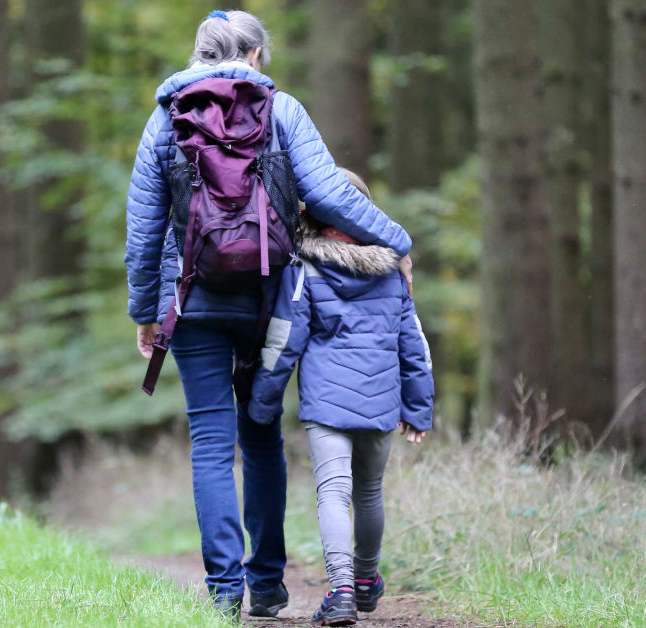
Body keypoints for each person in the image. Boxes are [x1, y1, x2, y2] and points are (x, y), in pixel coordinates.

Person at [124, 10, 413, 619]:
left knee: (209, 440)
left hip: (193, 298)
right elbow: (331, 193)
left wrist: (146, 311)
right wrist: (397, 242)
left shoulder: (164, 119)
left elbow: (144, 228)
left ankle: (224, 591)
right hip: (270, 299)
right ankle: (269, 584)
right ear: (256, 55)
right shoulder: (283, 110)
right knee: (260, 436)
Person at [248, 171, 433, 626]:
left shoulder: (305, 268)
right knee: (369, 492)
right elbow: (415, 346)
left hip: (327, 405)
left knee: (334, 492)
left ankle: (343, 591)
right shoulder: (392, 271)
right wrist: (419, 408)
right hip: (382, 400)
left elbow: (284, 340)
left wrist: (262, 402)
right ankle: (367, 580)